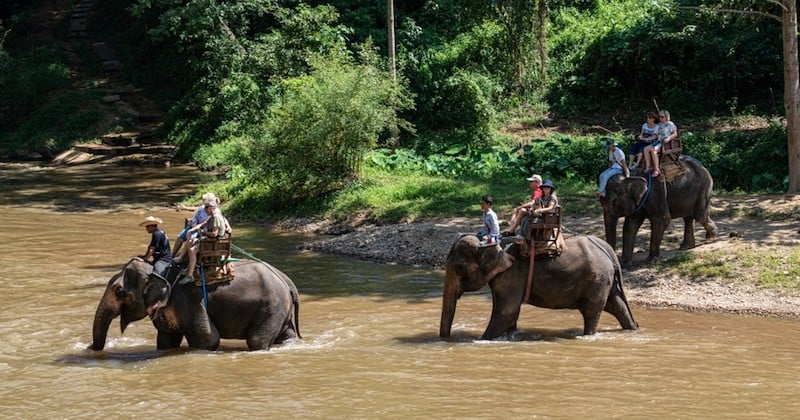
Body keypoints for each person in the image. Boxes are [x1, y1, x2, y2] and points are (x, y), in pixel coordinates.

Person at [175, 200, 231, 280]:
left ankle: (190, 275)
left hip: (213, 242)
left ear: (211, 209)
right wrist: (191, 230)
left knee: (192, 250)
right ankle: (188, 265)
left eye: (206, 209)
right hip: (210, 240)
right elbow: (203, 224)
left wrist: (204, 232)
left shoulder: (215, 217)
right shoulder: (212, 216)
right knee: (189, 242)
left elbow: (214, 234)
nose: (204, 211)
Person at [643, 109, 678, 178]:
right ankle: (648, 166)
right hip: (658, 141)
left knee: (654, 150)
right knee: (645, 149)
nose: (660, 118)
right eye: (659, 117)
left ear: (666, 117)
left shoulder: (670, 124)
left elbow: (675, 134)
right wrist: (649, 139)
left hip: (665, 143)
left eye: (662, 117)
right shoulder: (659, 125)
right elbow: (655, 135)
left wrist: (669, 138)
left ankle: (657, 169)